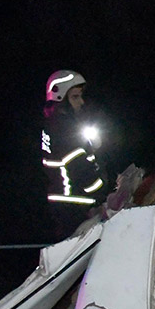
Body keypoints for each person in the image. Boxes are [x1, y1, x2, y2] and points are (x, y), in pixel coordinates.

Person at [42, 70, 107, 239]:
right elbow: (81, 172)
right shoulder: (65, 130)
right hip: (76, 207)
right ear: (61, 100)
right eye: (75, 97)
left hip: (64, 205)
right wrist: (105, 194)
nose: (81, 102)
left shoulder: (52, 126)